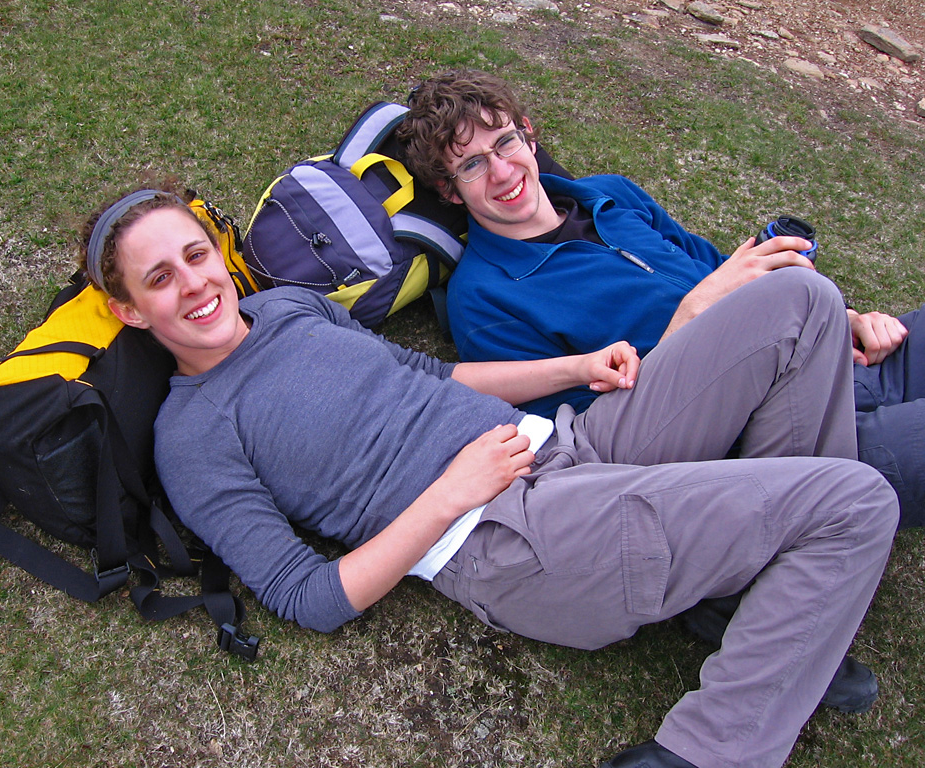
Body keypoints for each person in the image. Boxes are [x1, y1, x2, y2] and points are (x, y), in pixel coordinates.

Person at [80, 187, 897, 768]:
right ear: (129, 311)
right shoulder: (191, 437)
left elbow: (428, 375)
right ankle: (710, 751)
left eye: (196, 255)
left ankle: (753, 603)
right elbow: (309, 597)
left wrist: (576, 367)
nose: (195, 284)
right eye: (160, 278)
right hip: (510, 538)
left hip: (575, 444)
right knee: (856, 503)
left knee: (802, 297)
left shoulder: (287, 307)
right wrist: (452, 494)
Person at [397, 69, 925, 529]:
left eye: (506, 142)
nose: (502, 171)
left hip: (833, 356)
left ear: (529, 136)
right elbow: (590, 439)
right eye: (472, 165)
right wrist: (691, 316)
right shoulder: (483, 297)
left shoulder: (610, 194)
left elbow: (722, 269)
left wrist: (843, 317)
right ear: (450, 190)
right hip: (767, 430)